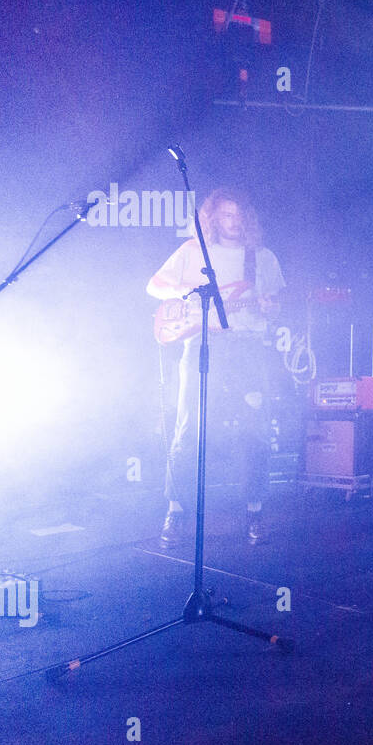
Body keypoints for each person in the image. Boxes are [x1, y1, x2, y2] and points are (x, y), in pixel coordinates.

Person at [147, 188, 285, 547]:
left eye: (239, 215)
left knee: (255, 428)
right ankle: (175, 509)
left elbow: (276, 304)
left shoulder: (262, 257)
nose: (234, 221)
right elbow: (155, 285)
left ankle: (255, 510)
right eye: (226, 215)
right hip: (202, 342)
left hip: (248, 347)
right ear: (213, 218)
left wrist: (272, 307)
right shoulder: (194, 252)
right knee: (188, 427)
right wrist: (189, 294)